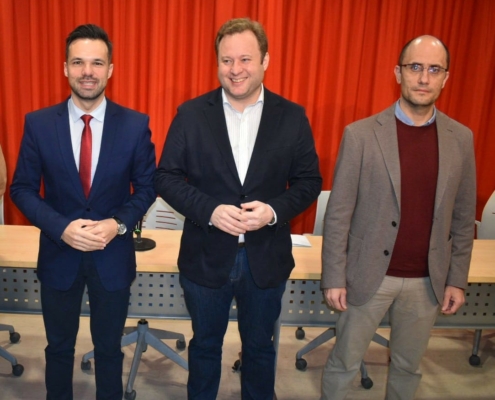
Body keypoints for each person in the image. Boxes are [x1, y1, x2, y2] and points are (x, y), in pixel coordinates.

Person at [154, 17, 321, 400]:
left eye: (245, 59)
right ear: (217, 63)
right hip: (206, 256)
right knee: (205, 347)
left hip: (265, 258)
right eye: (226, 60)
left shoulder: (291, 116)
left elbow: (309, 181)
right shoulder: (191, 114)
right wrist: (209, 210)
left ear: (265, 61)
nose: (235, 69)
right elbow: (166, 177)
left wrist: (274, 211)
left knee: (261, 349)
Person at [320, 35, 476, 400]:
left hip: (427, 283)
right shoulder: (360, 135)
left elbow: (464, 216)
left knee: (408, 368)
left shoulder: (461, 139)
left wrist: (457, 280)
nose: (424, 78)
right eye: (415, 67)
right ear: (398, 73)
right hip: (367, 277)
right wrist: (334, 276)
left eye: (433, 69)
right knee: (344, 362)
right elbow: (338, 213)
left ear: (445, 78)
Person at [10, 24, 156, 400]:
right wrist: (62, 228)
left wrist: (118, 224)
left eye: (96, 62)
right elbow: (22, 189)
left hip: (113, 258)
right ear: (65, 68)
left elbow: (147, 188)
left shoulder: (135, 125)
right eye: (78, 62)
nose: (87, 71)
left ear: (110, 69)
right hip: (60, 257)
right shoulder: (39, 124)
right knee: (58, 349)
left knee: (109, 351)